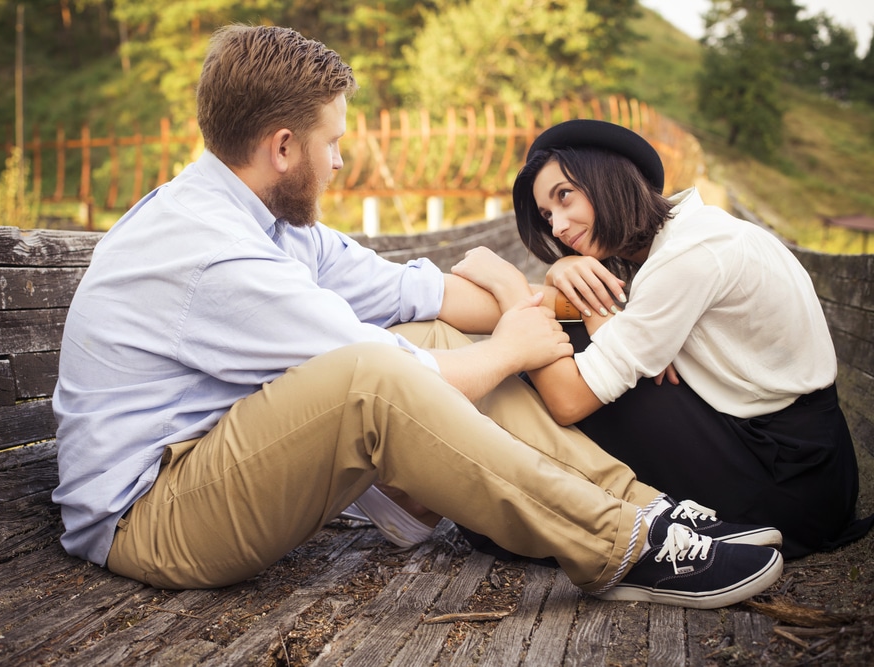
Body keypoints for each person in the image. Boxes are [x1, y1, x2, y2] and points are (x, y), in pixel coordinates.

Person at [51, 25, 786, 609]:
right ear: (282, 148)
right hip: (151, 517)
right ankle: (620, 545)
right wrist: (506, 348)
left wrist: (528, 292)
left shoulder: (269, 224)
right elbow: (386, 379)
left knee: (423, 335)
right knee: (372, 377)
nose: (338, 162)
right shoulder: (213, 256)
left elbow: (416, 297)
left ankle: (650, 508)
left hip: (217, 459)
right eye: (331, 143)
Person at [452, 119, 873, 560]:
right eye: (547, 215)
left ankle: (499, 503)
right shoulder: (677, 241)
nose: (557, 226)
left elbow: (568, 400)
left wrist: (512, 288)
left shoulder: (689, 255)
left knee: (562, 351)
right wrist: (563, 277)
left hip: (788, 485)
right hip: (796, 458)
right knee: (573, 326)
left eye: (564, 196)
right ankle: (505, 493)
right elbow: (610, 327)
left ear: (607, 177)